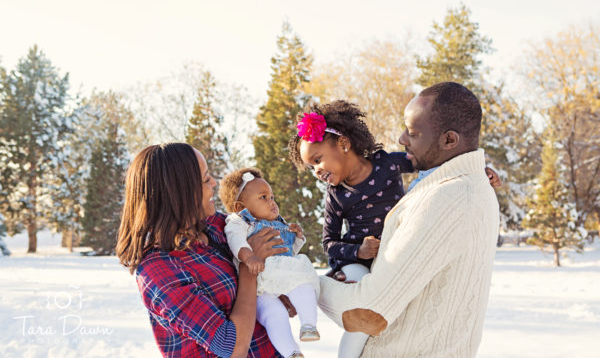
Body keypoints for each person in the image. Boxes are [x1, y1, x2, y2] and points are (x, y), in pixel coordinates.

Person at [288, 100, 500, 358]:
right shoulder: (336, 195)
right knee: (357, 328)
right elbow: (329, 242)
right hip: (358, 261)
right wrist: (357, 252)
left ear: (344, 144)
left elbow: (431, 165)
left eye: (318, 160)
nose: (316, 172)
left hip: (388, 258)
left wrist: (478, 169)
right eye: (311, 167)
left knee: (365, 312)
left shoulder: (386, 165)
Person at [116, 143, 285, 358]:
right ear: (179, 192)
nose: (214, 183)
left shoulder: (219, 227)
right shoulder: (158, 268)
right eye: (205, 180)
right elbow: (232, 348)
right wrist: (249, 266)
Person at [219, 168, 320, 358]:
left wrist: (297, 238)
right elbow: (235, 241)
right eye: (263, 197)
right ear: (240, 207)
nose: (272, 202)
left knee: (303, 286)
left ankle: (309, 325)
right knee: (275, 315)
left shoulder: (279, 223)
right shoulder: (238, 222)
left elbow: (285, 253)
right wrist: (249, 257)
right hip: (259, 287)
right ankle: (291, 352)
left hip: (282, 277)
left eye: (272, 197)